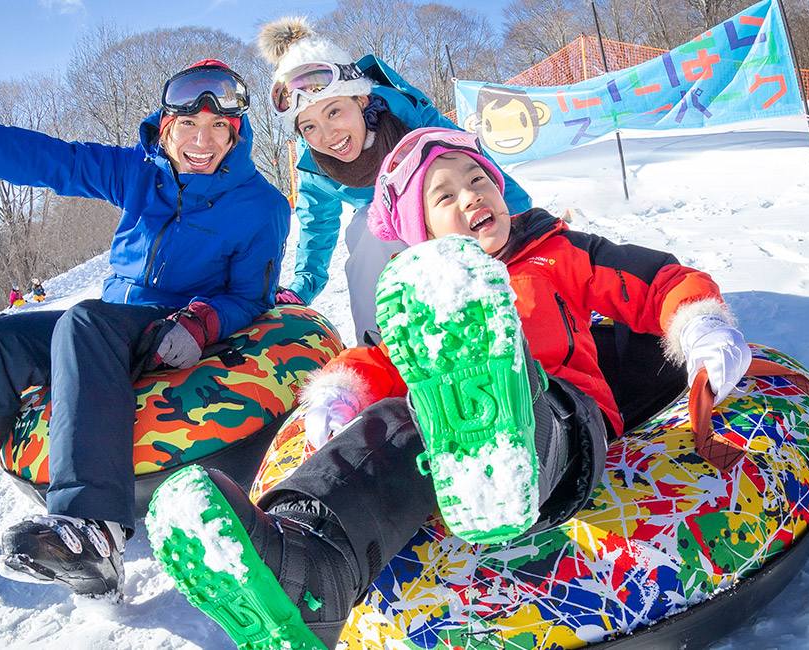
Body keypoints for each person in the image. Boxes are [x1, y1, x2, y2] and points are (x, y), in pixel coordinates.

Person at [147, 128, 752, 649]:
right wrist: (340, 396)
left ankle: (504, 452)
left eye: (478, 180)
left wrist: (698, 323)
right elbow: (379, 359)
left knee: (530, 402)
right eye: (445, 195)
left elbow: (653, 280)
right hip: (441, 426)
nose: (472, 196)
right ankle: (305, 565)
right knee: (395, 426)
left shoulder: (554, 254)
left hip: (563, 416)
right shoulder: (418, 309)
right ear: (421, 235)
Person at [0, 59, 290, 596]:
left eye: (217, 129)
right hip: (112, 322)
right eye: (188, 128)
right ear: (166, 127)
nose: (202, 142)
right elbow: (51, 161)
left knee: (85, 322)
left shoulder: (261, 205)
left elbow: (251, 297)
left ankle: (94, 532)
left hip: (174, 328)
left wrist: (202, 321)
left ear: (235, 131)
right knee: (0, 336)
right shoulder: (139, 171)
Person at [257, 17, 532, 341]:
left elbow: (478, 168)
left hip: (441, 215)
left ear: (360, 100)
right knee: (366, 227)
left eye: (333, 112)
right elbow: (316, 229)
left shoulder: (409, 118)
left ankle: (498, 317)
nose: (328, 135)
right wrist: (300, 291)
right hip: (386, 231)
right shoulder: (316, 163)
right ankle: (378, 346)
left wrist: (527, 223)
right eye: (309, 127)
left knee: (444, 206)